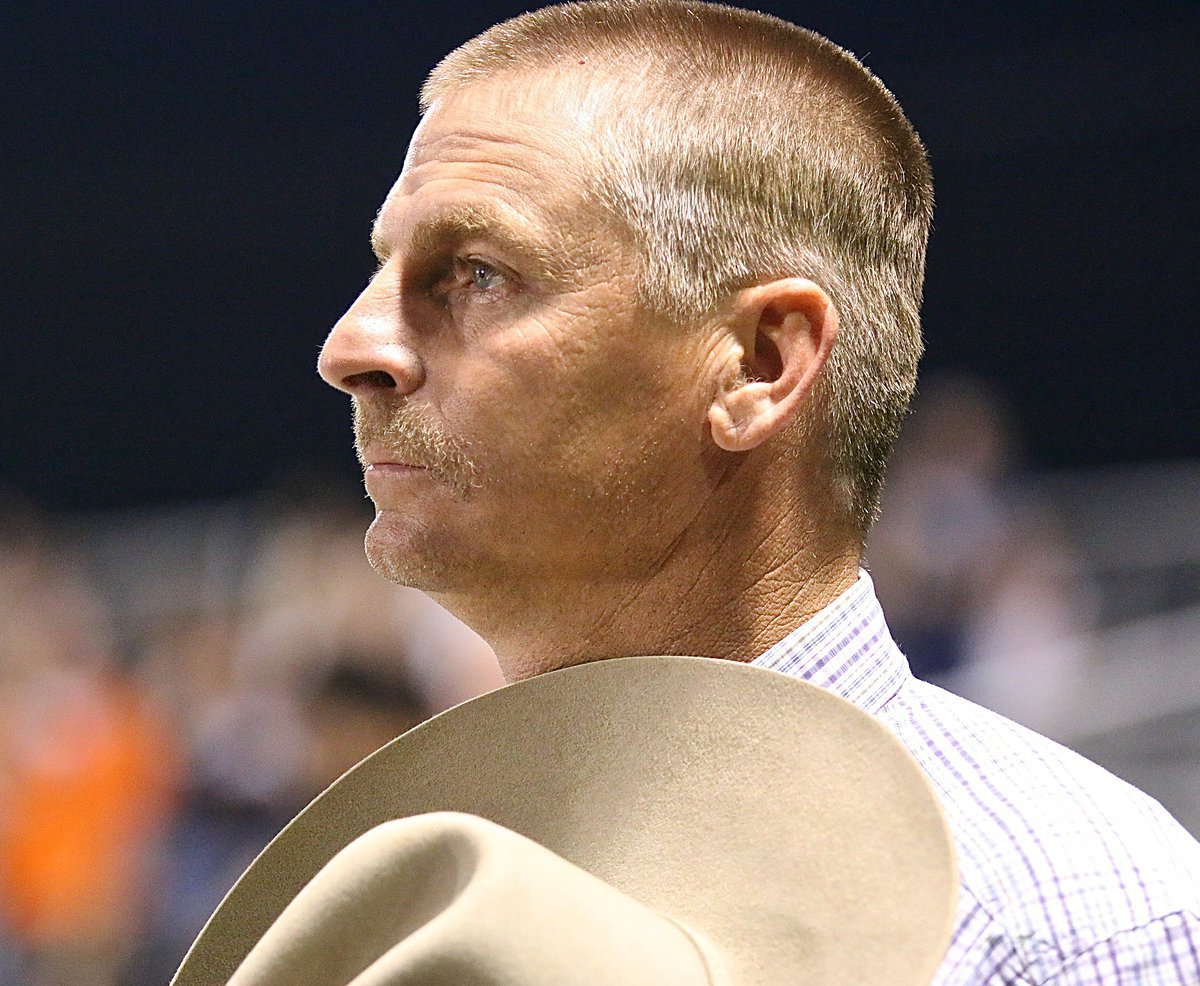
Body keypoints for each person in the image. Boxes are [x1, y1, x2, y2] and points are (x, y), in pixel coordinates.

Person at [315, 2, 1200, 983]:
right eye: (384, 267)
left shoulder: (1066, 927)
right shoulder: (398, 890)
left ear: (758, 362)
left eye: (477, 272)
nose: (352, 346)